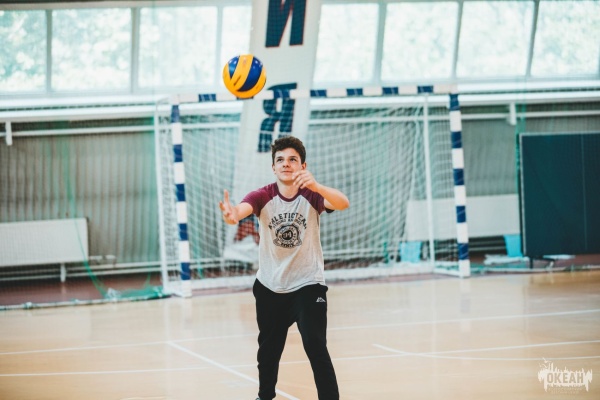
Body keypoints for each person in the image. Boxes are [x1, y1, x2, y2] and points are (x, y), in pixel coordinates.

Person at [219, 136, 350, 400]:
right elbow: (241, 211)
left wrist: (317, 185)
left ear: (303, 165)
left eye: (292, 160)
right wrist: (232, 215)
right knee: (268, 351)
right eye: (280, 160)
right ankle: (265, 396)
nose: (286, 164)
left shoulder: (313, 195)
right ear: (273, 167)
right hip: (270, 286)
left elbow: (343, 203)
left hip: (308, 283)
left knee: (315, 344)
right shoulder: (262, 196)